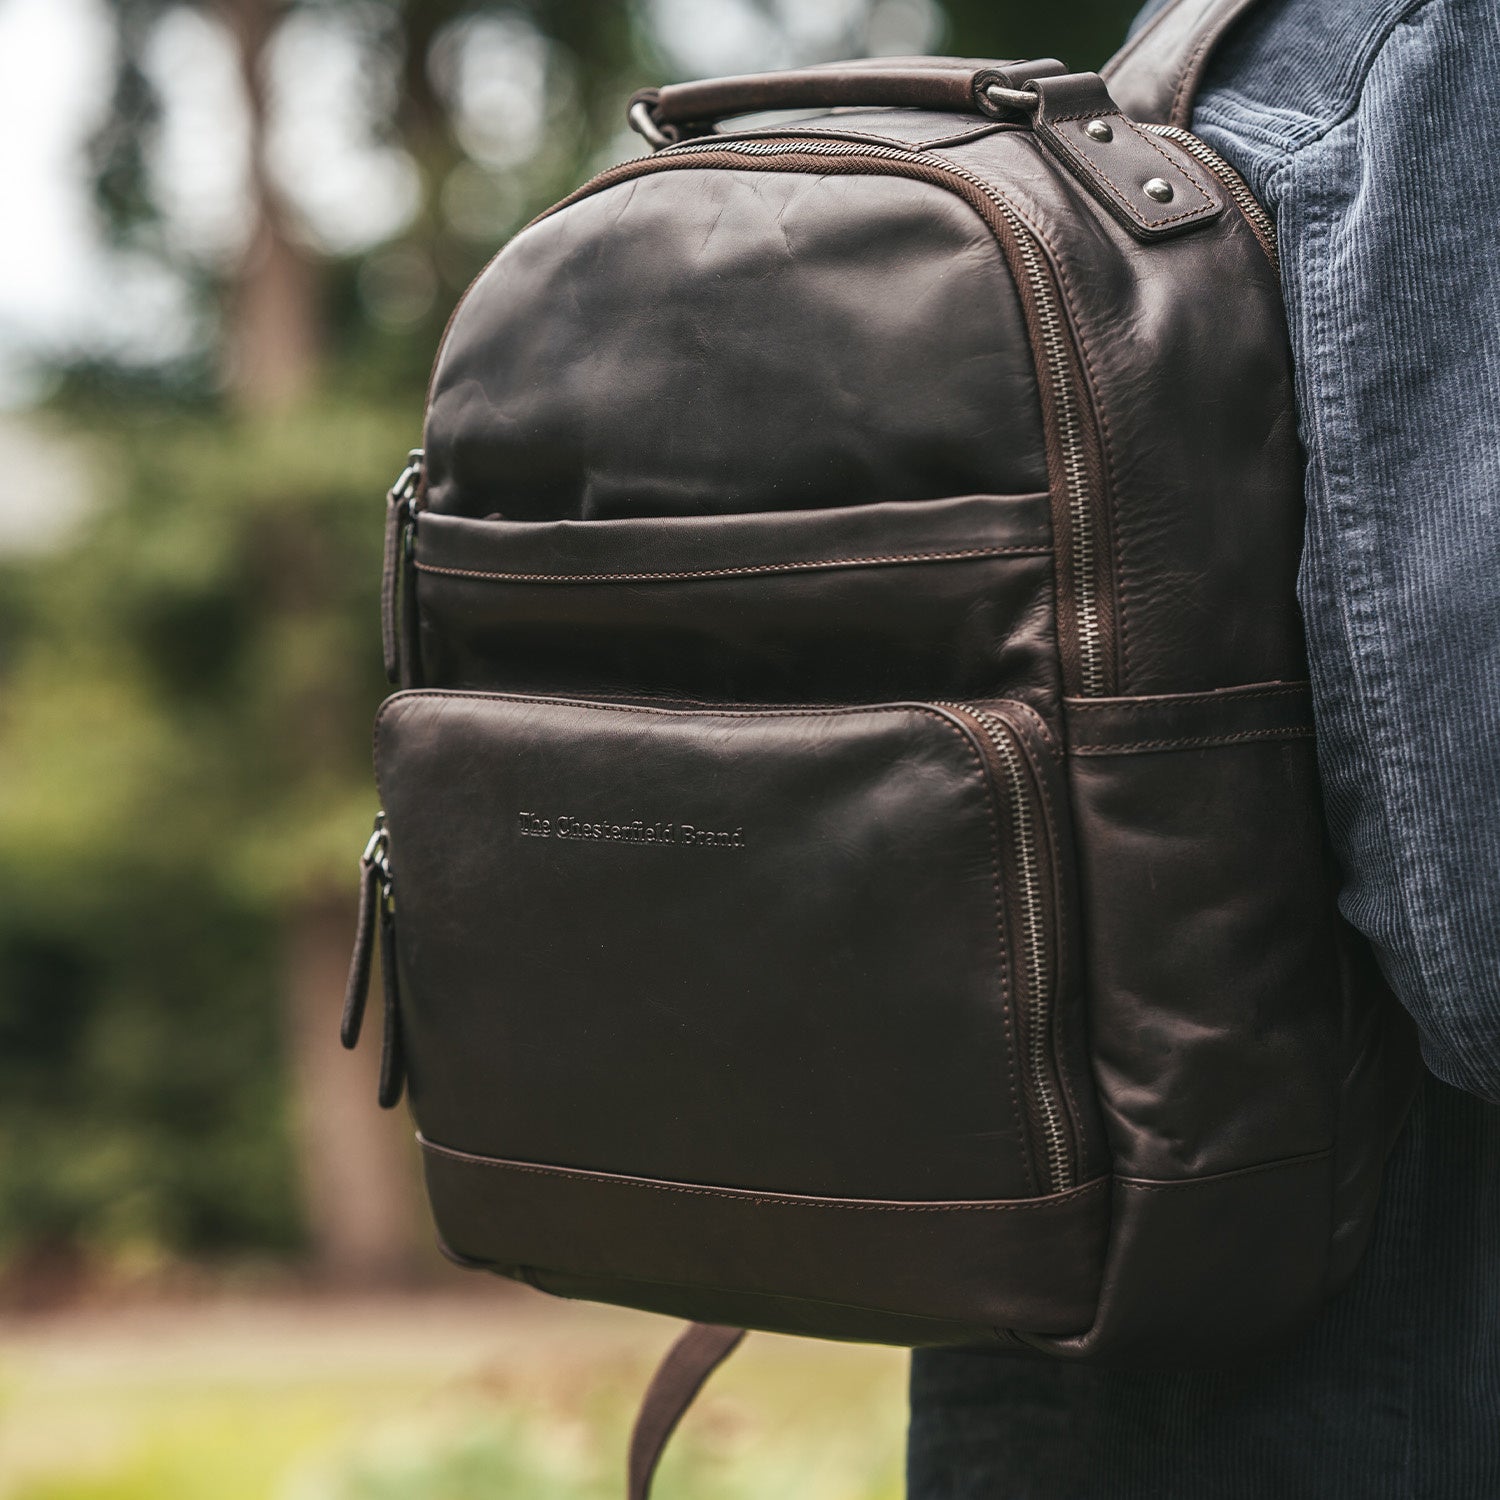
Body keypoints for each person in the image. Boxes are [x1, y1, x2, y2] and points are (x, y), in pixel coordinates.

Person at [906, 0, 1500, 1494]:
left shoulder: (1241, 47)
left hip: (1117, 1340)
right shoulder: (1445, 56)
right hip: (1367, 1387)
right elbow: (1480, 924)